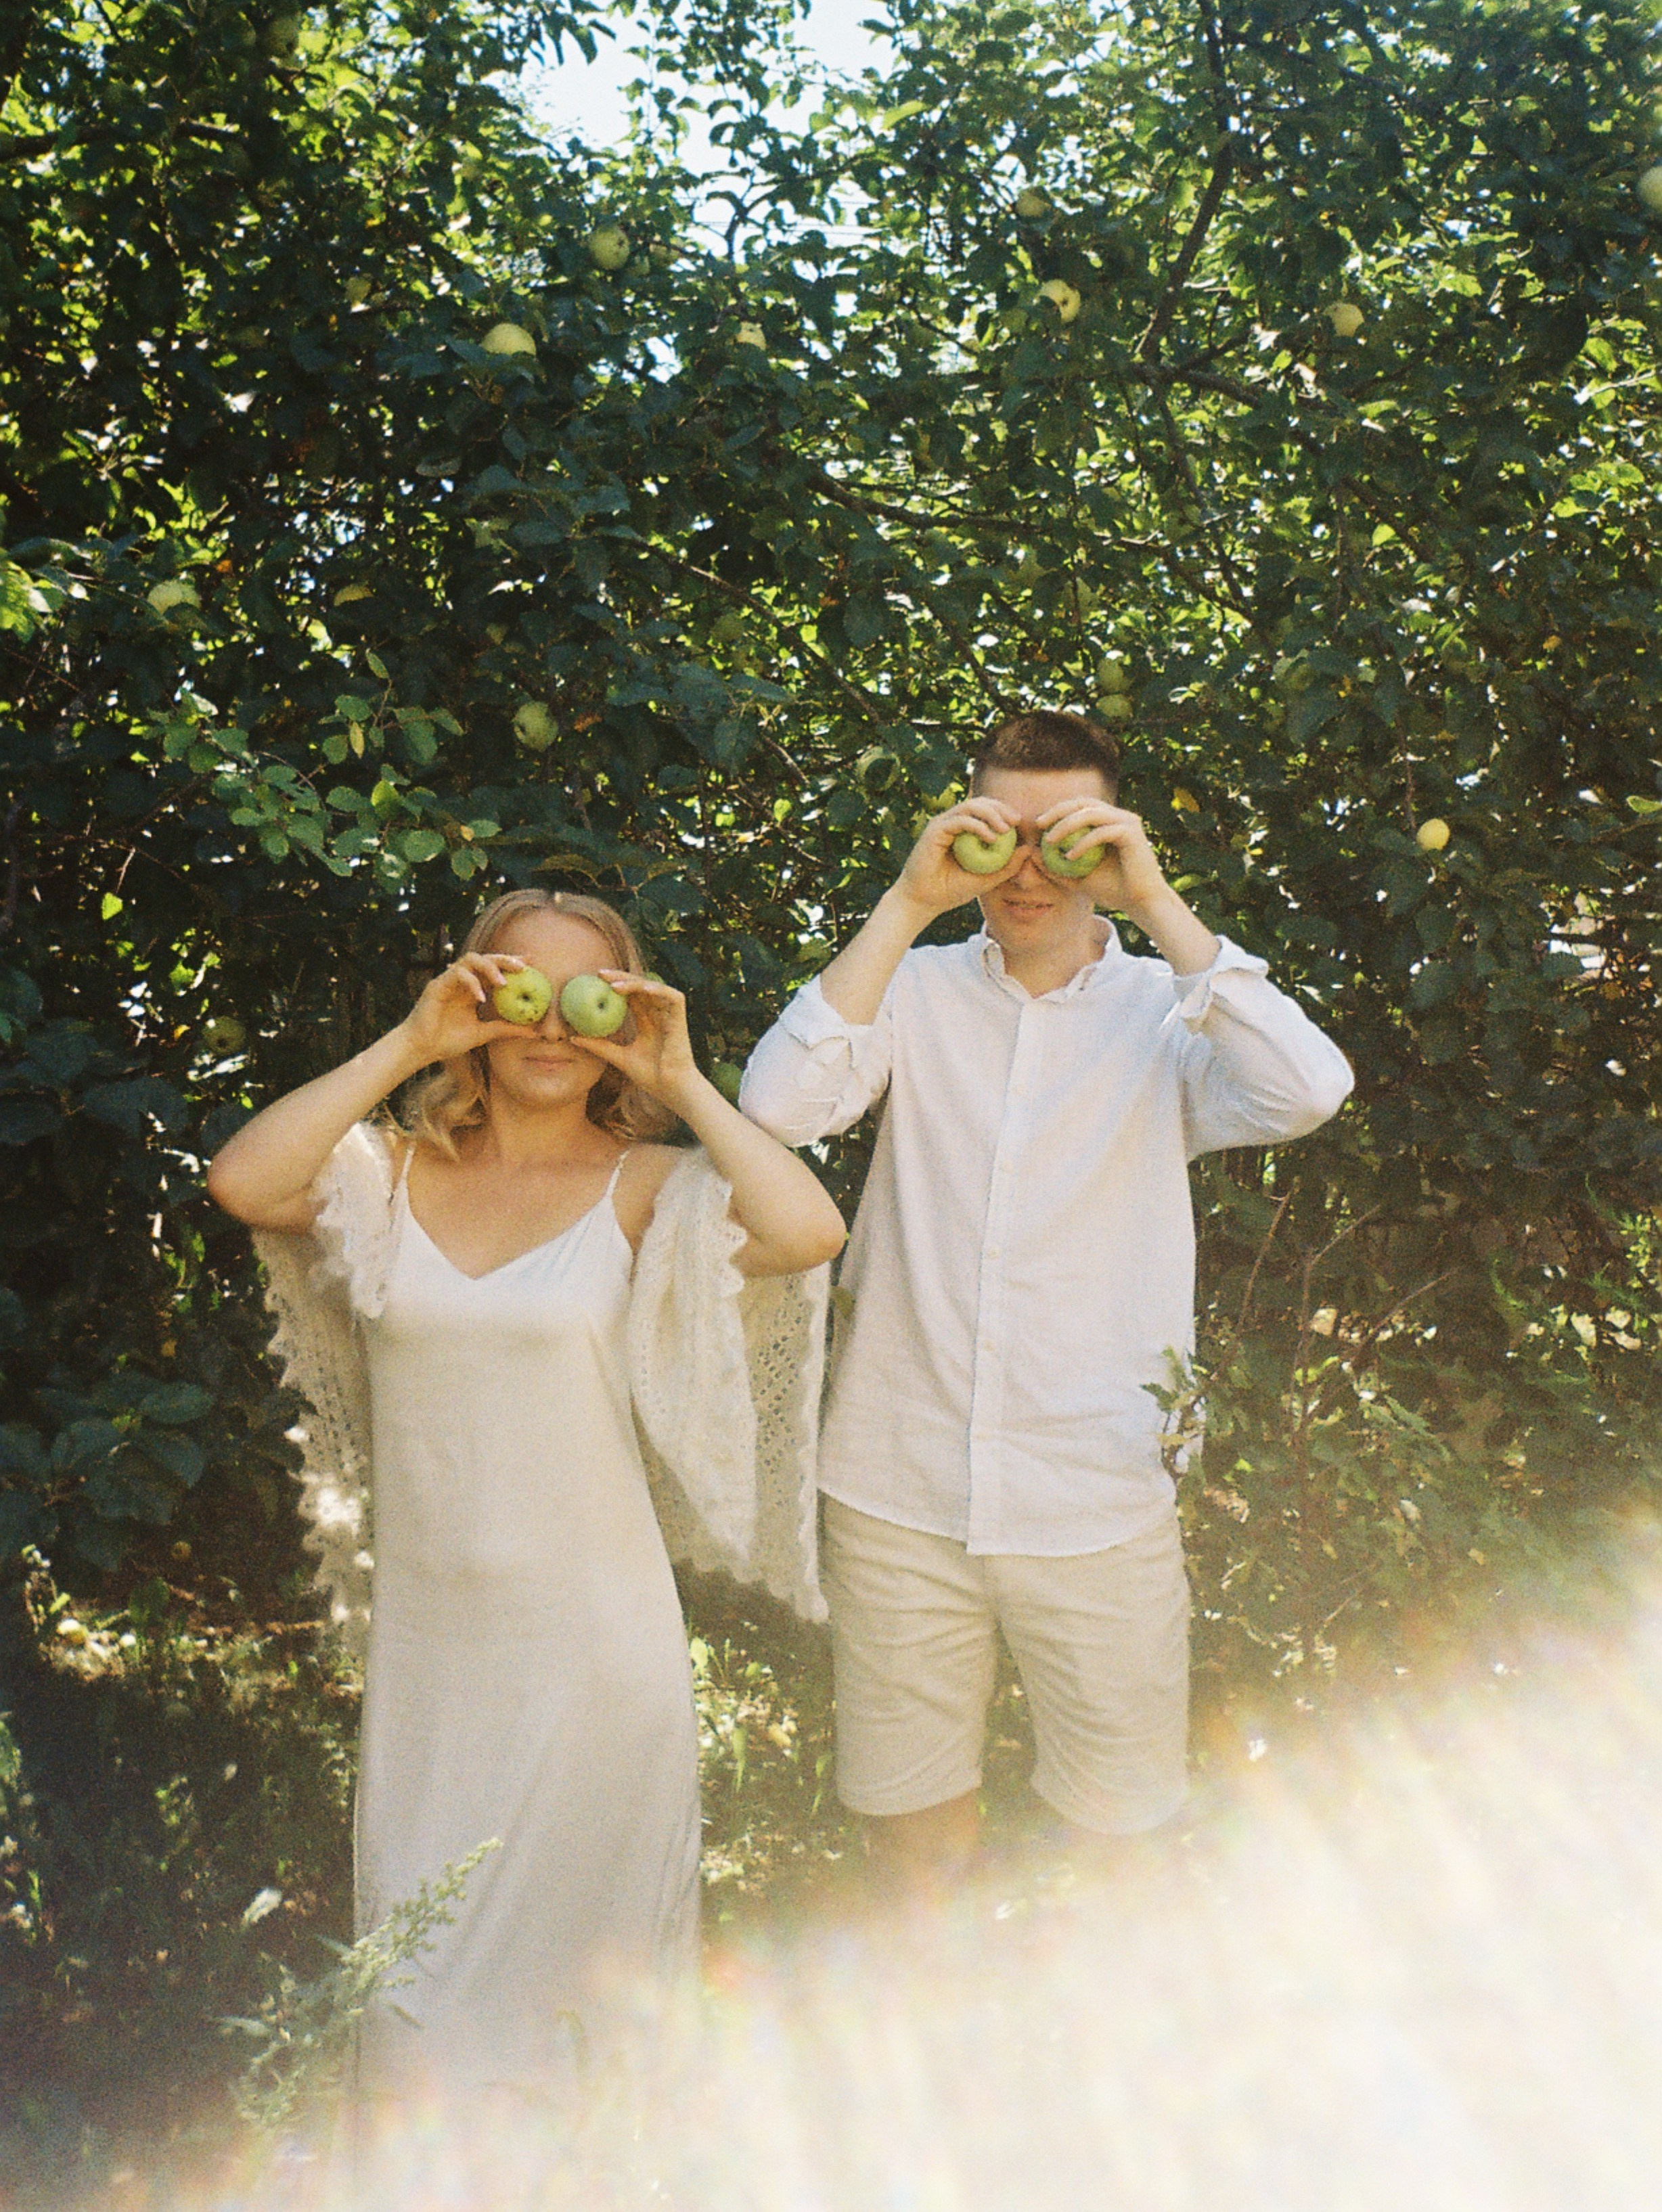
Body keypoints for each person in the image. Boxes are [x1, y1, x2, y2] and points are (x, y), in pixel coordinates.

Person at [208, 888, 845, 2103]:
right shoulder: (386, 1175)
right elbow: (245, 1180)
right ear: (478, 999)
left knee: (584, 2021)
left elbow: (808, 1227)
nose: (554, 1023)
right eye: (520, 988)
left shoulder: (655, 1186)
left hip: (598, 1667)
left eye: (586, 996)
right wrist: (411, 1042)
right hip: (438, 1668)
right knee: (419, 2013)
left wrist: (683, 1073)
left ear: (625, 1013)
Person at [740, 710, 1353, 1893]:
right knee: (911, 1834)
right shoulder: (908, 993)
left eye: (1061, 837)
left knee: (1119, 1835)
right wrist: (908, 902)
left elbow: (1311, 1089)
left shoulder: (1171, 1016)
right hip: (897, 1484)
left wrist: (1158, 906)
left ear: (1111, 840)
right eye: (999, 834)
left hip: (1098, 1494)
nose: (1027, 868)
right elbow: (778, 1104)